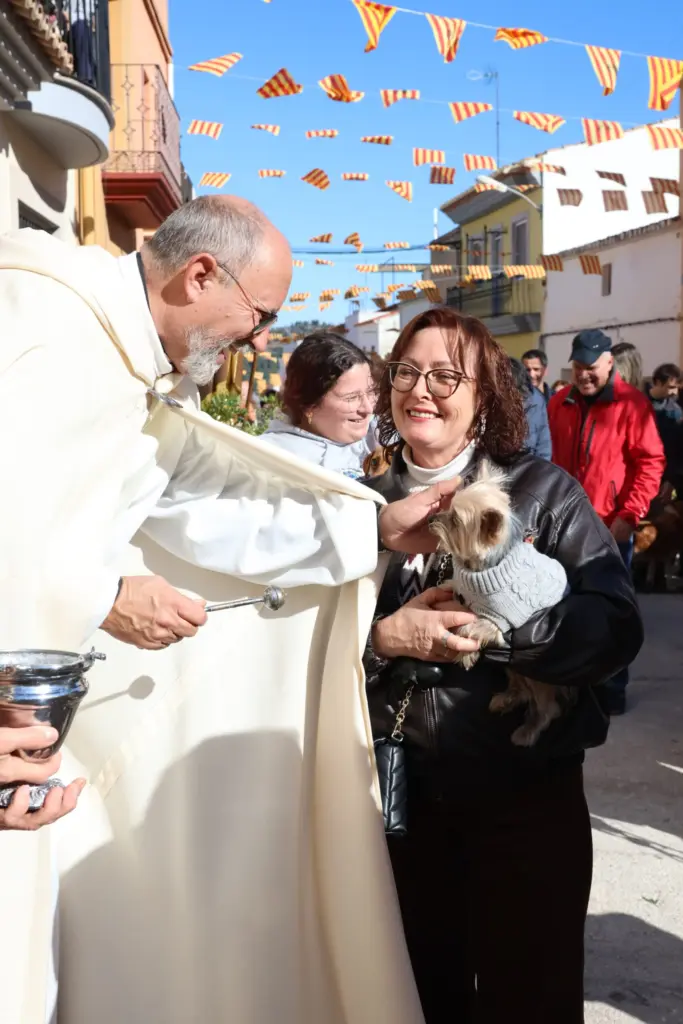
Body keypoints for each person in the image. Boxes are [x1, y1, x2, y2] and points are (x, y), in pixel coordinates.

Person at [0, 196, 452, 1022]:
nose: (261, 339)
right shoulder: (42, 327)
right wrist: (106, 595)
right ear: (200, 274)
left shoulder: (137, 370)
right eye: (260, 314)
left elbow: (196, 504)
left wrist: (371, 529)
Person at [362, 305, 642, 1024]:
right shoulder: (359, 502)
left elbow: (613, 628)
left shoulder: (543, 492)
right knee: (418, 998)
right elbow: (301, 635)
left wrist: (501, 628)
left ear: (484, 394)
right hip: (396, 803)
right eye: (406, 372)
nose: (420, 390)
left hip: (525, 796)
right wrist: (383, 638)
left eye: (444, 376)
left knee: (531, 999)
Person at [548, 329, 664, 714]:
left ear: (609, 363)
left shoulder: (632, 405)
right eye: (578, 367)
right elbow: (549, 464)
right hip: (566, 527)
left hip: (611, 527)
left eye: (591, 367)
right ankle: (576, 687)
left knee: (612, 611)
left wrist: (629, 515)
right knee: (568, 609)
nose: (584, 375)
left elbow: (650, 463)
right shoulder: (560, 403)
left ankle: (613, 688)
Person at [262, 333, 379, 478]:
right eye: (351, 397)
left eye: (371, 392)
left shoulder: (381, 438)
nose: (368, 408)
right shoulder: (268, 457)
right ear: (309, 404)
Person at [646, 363, 683, 500]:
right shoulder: (638, 403)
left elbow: (675, 450)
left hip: (661, 475)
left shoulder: (675, 411)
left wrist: (671, 479)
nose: (675, 392)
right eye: (671, 387)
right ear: (657, 382)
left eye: (676, 388)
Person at [509, 356, 551, 459]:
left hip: (529, 463)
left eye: (536, 369)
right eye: (528, 369)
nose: (532, 374)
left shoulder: (536, 401)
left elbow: (544, 444)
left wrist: (541, 468)